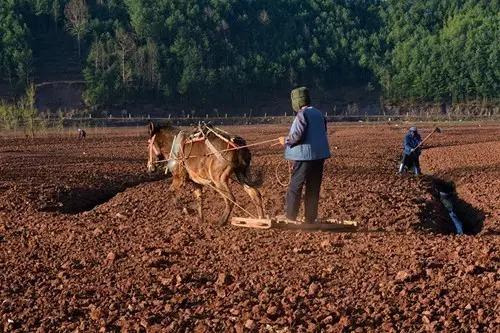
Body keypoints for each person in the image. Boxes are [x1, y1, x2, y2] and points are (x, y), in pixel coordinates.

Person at [278, 87, 331, 224]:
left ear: (296, 102)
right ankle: (310, 218)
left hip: (304, 156)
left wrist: (285, 140)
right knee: (313, 187)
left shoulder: (302, 114)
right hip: (320, 156)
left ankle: (290, 217)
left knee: (295, 186)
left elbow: (297, 136)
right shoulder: (319, 113)